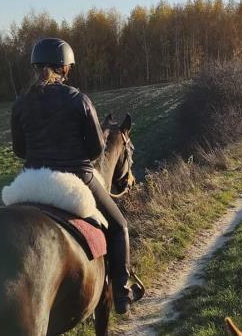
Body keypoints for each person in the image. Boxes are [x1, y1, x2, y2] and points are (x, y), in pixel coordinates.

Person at [10, 37, 144, 315]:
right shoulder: (78, 100)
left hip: (31, 181)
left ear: (36, 67)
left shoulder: (21, 103)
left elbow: (20, 150)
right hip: (75, 180)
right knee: (119, 226)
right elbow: (96, 148)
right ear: (66, 68)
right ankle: (121, 291)